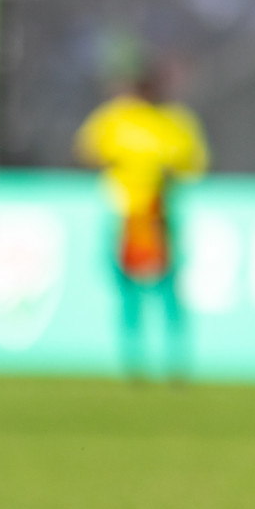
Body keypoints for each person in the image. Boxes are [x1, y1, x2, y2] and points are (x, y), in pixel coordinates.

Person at [75, 57, 209, 381]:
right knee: (128, 289)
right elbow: (86, 153)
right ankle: (133, 359)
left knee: (168, 289)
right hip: (123, 213)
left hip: (161, 215)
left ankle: (175, 360)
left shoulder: (175, 121)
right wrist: (113, 163)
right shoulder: (115, 118)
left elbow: (195, 164)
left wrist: (168, 174)